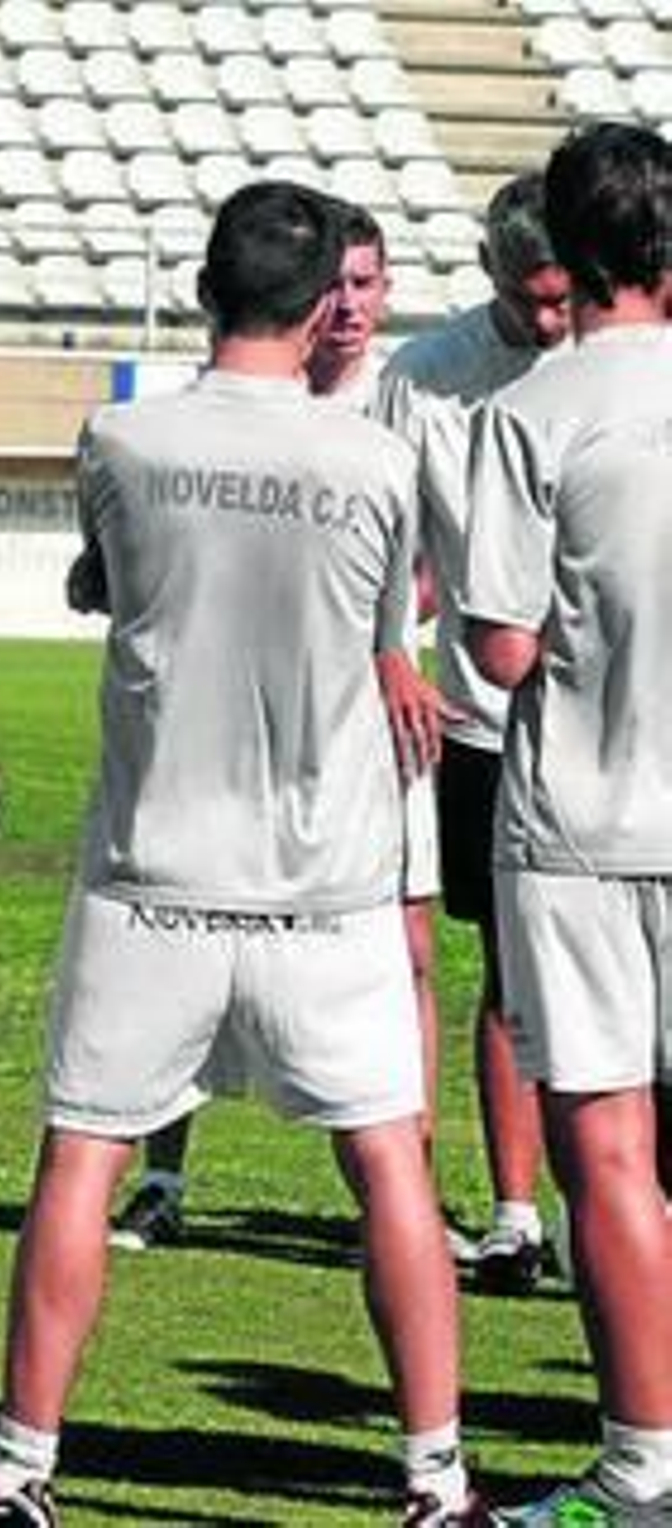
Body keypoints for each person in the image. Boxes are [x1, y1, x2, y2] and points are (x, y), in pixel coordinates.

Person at [0, 182, 483, 1528]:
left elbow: (109, 583)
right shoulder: (379, 462)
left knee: (83, 1159)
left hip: (155, 877)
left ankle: (18, 1472)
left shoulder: (120, 436)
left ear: (205, 286)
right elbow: (381, 620)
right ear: (320, 302)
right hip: (325, 886)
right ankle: (438, 1482)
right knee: (391, 1163)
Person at [109, 202, 449, 1252]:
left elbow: (435, 569)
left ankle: (402, 1186)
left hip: (364, 739)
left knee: (408, 950)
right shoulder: (196, 419)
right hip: (218, 750)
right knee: (177, 967)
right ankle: (162, 1175)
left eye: (366, 283)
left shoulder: (406, 407)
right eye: (334, 284)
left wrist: (393, 645)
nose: (347, 305)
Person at [462, 121, 672, 1524]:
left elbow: (501, 648)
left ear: (565, 257)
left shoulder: (530, 412)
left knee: (606, 1148)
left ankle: (645, 1463)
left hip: (589, 819)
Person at [375, 173, 572, 1296]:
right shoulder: (426, 378)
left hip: (620, 725)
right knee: (507, 966)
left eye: (561, 299)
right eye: (527, 300)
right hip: (485, 721)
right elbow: (386, 543)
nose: (547, 324)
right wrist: (388, 646)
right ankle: (512, 1216)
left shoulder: (616, 367)